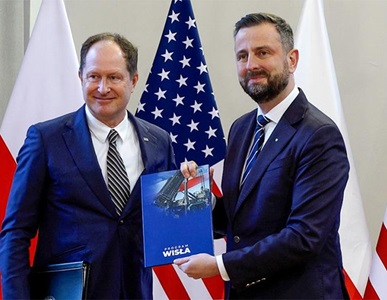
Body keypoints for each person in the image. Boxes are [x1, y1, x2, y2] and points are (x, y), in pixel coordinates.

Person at [176, 13, 350, 299]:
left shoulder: (319, 136)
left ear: (292, 60)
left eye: (263, 53)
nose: (251, 65)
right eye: (242, 56)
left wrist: (219, 266)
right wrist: (201, 198)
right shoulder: (242, 128)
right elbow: (241, 220)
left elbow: (304, 237)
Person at [0, 32, 177, 299]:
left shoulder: (159, 141)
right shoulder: (46, 139)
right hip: (68, 293)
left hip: (134, 291)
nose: (102, 88)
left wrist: (196, 195)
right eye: (94, 76)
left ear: (133, 81)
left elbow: (171, 220)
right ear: (80, 77)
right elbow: (16, 231)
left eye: (114, 77)